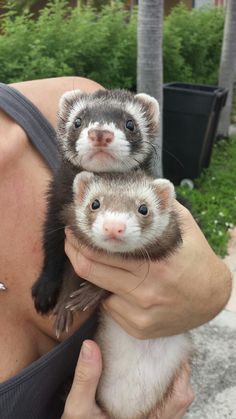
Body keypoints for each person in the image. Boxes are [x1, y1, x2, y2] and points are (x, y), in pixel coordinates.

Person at [0, 77, 232, 419]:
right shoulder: (69, 194)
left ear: (148, 127)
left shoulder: (50, 105)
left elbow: (195, 265)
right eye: (80, 124)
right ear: (66, 126)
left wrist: (213, 291)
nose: (99, 132)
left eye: (125, 125)